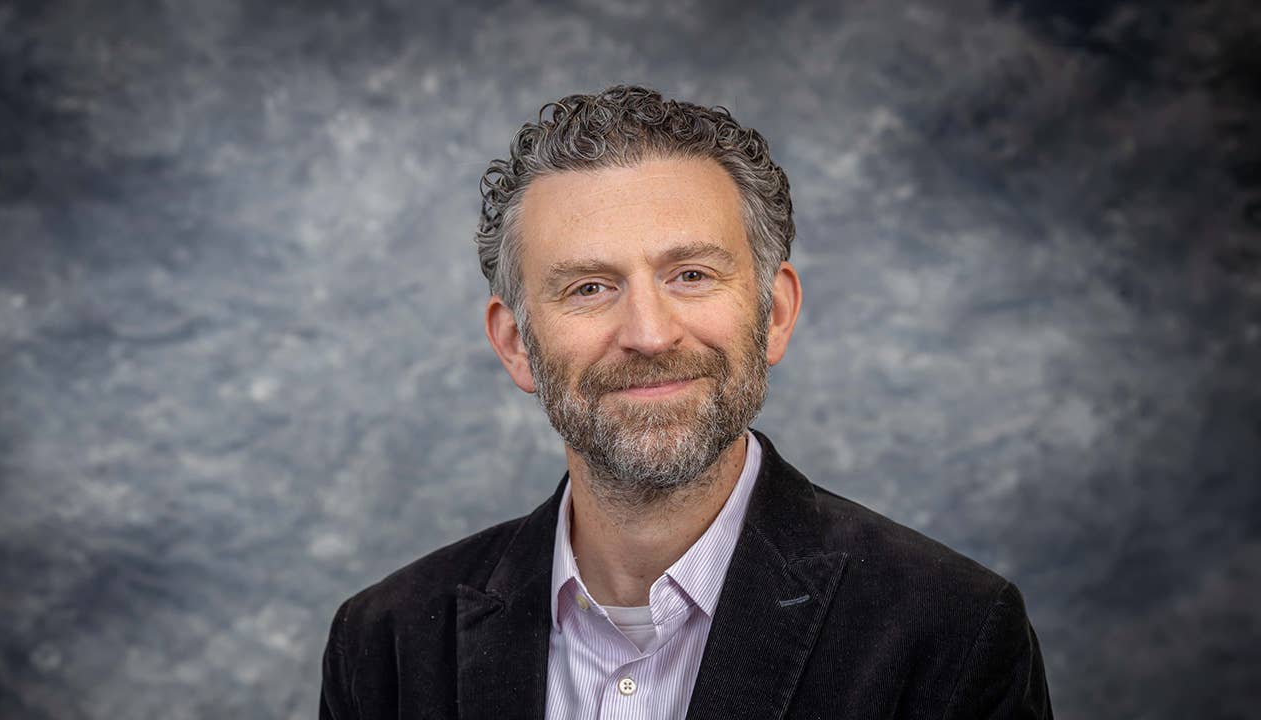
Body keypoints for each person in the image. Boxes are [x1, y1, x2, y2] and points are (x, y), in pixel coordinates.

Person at [319, 85, 1052, 720]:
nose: (648, 333)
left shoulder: (951, 633)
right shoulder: (385, 645)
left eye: (692, 275)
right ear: (515, 344)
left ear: (776, 313)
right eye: (589, 288)